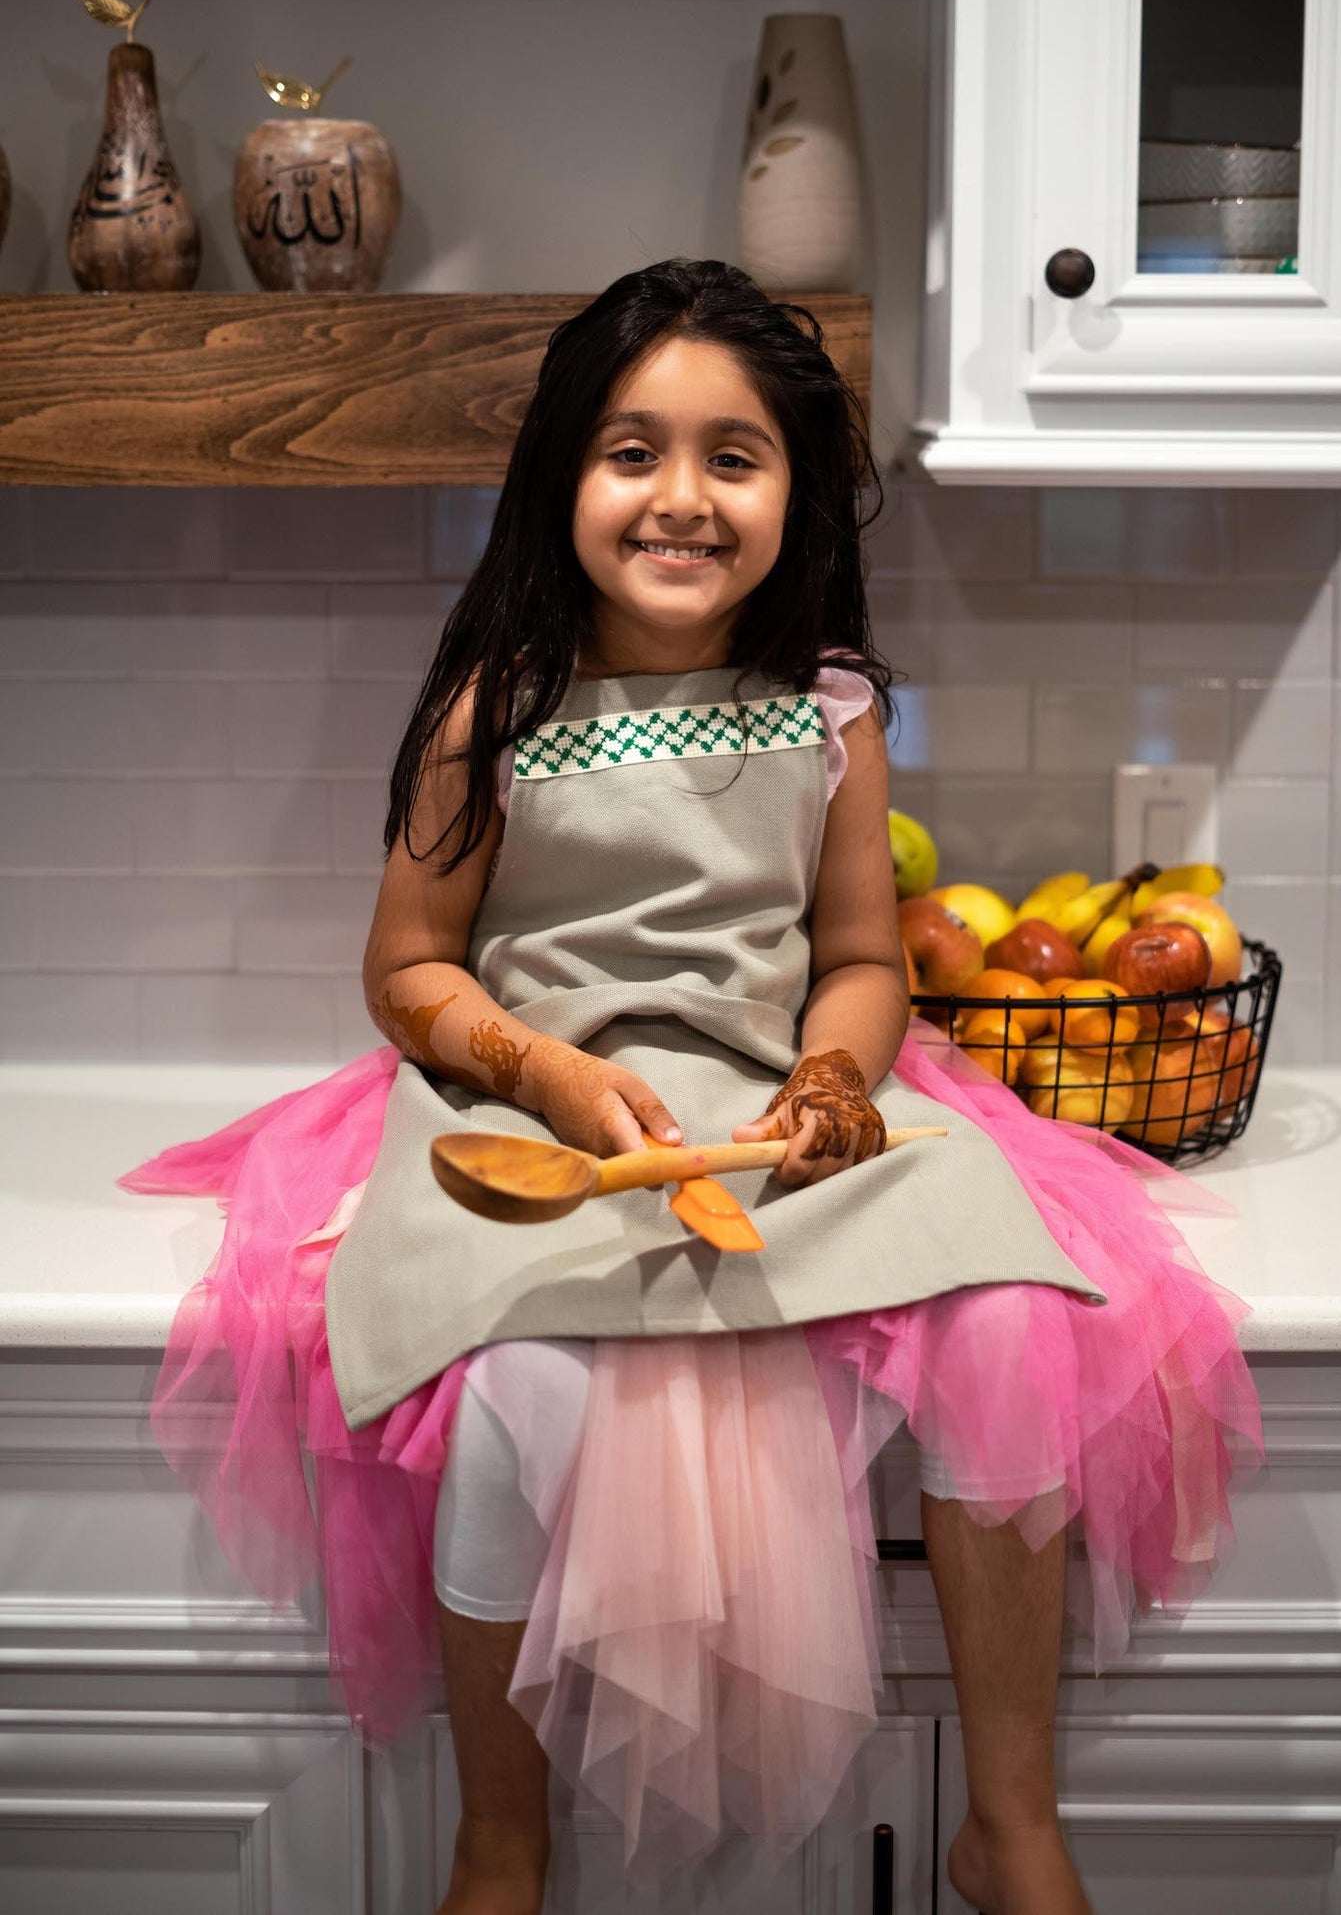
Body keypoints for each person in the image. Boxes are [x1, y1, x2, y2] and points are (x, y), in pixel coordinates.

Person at [123, 257, 1264, 1915]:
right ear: (560, 481)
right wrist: (541, 1071)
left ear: (795, 494)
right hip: (529, 1106)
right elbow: (409, 970)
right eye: (631, 451)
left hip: (777, 1100)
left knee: (1017, 1315)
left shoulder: (832, 712)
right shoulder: (493, 710)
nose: (682, 498)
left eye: (733, 457)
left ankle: (1010, 1820)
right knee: (522, 1392)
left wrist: (829, 1076)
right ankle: (498, 1835)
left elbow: (865, 960)